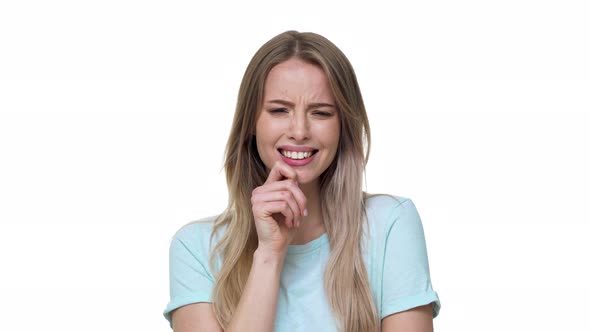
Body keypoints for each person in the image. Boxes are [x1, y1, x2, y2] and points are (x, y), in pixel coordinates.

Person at [163, 30, 441, 332]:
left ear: (342, 127)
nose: (299, 130)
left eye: (320, 113)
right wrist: (269, 254)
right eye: (279, 110)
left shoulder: (389, 225)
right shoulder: (196, 248)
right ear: (251, 122)